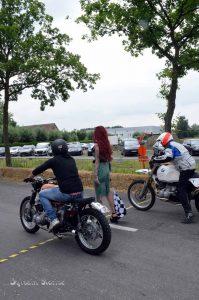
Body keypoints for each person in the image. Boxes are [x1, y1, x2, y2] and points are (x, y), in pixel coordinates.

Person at [27, 139, 83, 232]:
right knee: (57, 190)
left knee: (42, 194)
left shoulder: (53, 161)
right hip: (80, 191)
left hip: (67, 193)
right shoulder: (71, 159)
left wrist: (30, 177)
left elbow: (39, 169)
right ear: (66, 148)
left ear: (53, 150)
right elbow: (68, 173)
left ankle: (53, 219)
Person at [153, 132, 196, 224]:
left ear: (164, 139)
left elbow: (168, 157)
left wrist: (156, 159)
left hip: (186, 168)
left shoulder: (170, 146)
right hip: (189, 165)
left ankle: (189, 213)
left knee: (181, 189)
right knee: (183, 185)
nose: (161, 143)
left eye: (161, 141)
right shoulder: (175, 144)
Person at [93, 125, 119, 223]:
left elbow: (97, 162)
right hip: (107, 169)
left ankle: (100, 218)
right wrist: (110, 172)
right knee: (108, 193)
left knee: (98, 195)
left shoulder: (96, 147)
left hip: (100, 170)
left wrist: (95, 176)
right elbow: (109, 160)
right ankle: (114, 214)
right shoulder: (108, 145)